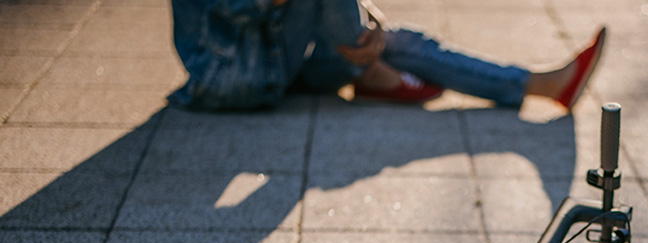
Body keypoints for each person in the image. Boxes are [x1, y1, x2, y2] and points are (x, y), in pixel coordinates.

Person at [169, 0, 605, 112]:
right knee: (381, 46)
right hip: (229, 76)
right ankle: (370, 68)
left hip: (274, 58)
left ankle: (543, 85)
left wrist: (368, 21)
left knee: (403, 43)